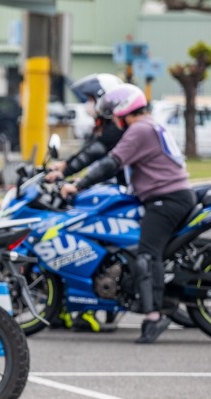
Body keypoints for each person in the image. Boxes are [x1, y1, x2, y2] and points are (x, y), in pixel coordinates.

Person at [60, 84, 193, 344]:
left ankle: (153, 318)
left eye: (114, 115)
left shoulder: (139, 130)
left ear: (123, 111)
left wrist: (77, 185)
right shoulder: (150, 125)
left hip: (165, 200)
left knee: (146, 255)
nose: (113, 121)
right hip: (168, 196)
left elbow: (111, 163)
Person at [45, 73, 125, 333]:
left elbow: (96, 156)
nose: (88, 105)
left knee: (84, 236)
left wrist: (69, 174)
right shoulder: (106, 127)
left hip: (125, 196)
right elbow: (90, 153)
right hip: (117, 192)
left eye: (92, 99)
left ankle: (85, 306)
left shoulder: (116, 128)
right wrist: (66, 169)